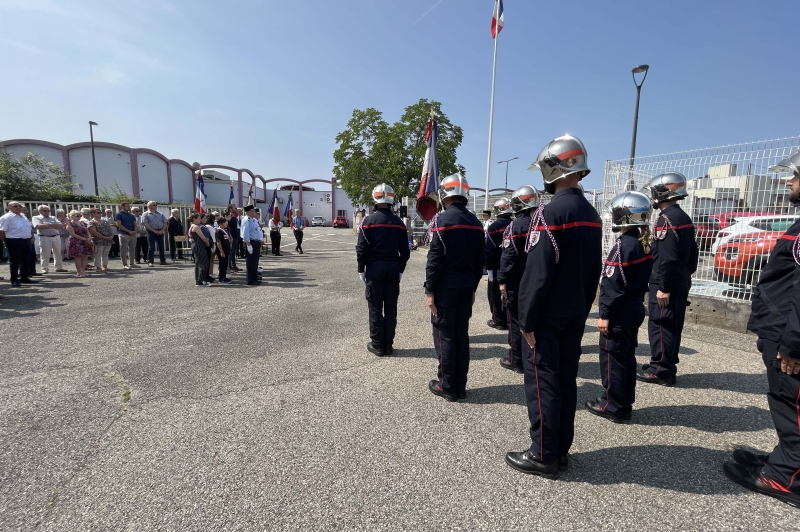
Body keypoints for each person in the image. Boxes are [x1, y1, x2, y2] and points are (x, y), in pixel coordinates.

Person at [505, 135, 602, 479]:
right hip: (575, 312)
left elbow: (538, 272)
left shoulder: (550, 212)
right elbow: (594, 271)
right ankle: (560, 450)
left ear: (553, 168)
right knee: (565, 381)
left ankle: (543, 453)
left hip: (547, 316)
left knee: (543, 382)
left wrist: (526, 320)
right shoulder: (591, 213)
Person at [723, 150, 800, 508]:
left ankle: (787, 477)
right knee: (784, 401)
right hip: (783, 331)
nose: (789, 181)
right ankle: (784, 460)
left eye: (795, 175)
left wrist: (793, 343)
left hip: (791, 338)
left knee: (792, 404)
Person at [585, 191, 653, 424]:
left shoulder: (624, 245)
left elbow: (612, 285)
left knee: (612, 359)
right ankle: (625, 404)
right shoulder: (643, 244)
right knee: (626, 357)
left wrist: (605, 314)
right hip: (634, 307)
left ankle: (611, 405)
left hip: (620, 311)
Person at [425, 173, 486, 401]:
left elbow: (435, 259)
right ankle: (460, 385)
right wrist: (472, 288)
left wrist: (429, 290)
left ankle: (447, 385)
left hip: (446, 287)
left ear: (444, 193)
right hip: (466, 286)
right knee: (461, 335)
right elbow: (481, 261)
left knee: (445, 335)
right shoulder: (477, 223)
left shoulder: (442, 221)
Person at [637, 172, 698, 387]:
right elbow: (693, 252)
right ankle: (666, 365)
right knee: (673, 323)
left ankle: (660, 370)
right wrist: (684, 275)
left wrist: (664, 287)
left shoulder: (666, 220)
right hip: (680, 277)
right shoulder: (683, 217)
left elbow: (666, 258)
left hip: (667, 280)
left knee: (661, 324)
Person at [356, 184, 411, 356]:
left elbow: (361, 249)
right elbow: (406, 251)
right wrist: (400, 269)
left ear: (375, 198)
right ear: (391, 198)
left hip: (375, 268)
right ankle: (388, 344)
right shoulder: (399, 223)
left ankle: (377, 344)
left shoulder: (368, 221)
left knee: (375, 307)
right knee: (391, 307)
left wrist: (361, 269)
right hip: (393, 267)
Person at [497, 186, 541, 374]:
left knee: (515, 322)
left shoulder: (514, 227)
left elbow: (507, 256)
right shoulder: (541, 224)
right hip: (538, 281)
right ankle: (532, 357)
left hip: (516, 282)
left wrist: (501, 280)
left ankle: (516, 359)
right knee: (534, 321)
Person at [485, 197, 514, 330]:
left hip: (496, 266)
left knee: (494, 294)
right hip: (513, 266)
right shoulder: (515, 225)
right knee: (510, 294)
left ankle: (498, 320)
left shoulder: (494, 227)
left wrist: (488, 267)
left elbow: (489, 250)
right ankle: (509, 320)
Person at [0, 201, 37, 287]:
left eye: (19, 206)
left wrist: (31, 237)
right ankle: (14, 279)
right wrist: (4, 242)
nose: (18, 207)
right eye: (15, 206)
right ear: (9, 207)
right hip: (13, 241)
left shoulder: (23, 216)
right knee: (15, 261)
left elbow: (28, 228)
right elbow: (2, 231)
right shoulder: (6, 217)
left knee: (26, 260)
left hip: (26, 240)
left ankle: (24, 277)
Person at [32, 205, 67, 274]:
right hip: (44, 237)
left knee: (58, 253)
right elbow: (38, 226)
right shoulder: (36, 217)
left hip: (56, 236)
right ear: (40, 211)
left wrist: (48, 224)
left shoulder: (53, 217)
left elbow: (60, 225)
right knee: (45, 254)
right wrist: (53, 225)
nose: (47, 212)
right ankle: (44, 268)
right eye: (45, 210)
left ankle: (59, 267)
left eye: (48, 210)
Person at [241, 205, 264, 285]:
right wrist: (248, 245)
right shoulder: (247, 220)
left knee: (254, 262)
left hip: (255, 242)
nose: (255, 212)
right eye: (254, 211)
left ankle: (254, 278)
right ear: (250, 212)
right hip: (250, 242)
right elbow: (245, 233)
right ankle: (250, 280)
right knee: (251, 262)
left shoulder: (252, 220)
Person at [65, 210, 93, 277]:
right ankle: (79, 272)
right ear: (72, 216)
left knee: (84, 256)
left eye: (80, 215)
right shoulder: (69, 224)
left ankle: (83, 271)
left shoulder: (82, 223)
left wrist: (89, 237)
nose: (79, 217)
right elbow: (72, 234)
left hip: (85, 241)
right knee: (78, 257)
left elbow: (87, 231)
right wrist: (83, 238)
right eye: (78, 215)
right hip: (76, 242)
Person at [141, 201, 169, 267]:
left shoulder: (160, 214)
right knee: (151, 247)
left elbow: (165, 222)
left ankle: (163, 261)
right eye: (154, 205)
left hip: (160, 231)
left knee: (161, 247)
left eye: (156, 205)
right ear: (149, 206)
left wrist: (162, 230)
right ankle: (150, 261)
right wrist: (154, 231)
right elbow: (145, 224)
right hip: (151, 232)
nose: (156, 206)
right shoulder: (145, 214)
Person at [87, 208, 114, 273]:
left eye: (100, 212)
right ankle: (98, 267)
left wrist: (112, 236)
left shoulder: (104, 221)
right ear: (93, 214)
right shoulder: (91, 222)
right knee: (98, 254)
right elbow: (94, 232)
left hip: (108, 240)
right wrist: (104, 237)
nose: (100, 214)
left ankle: (105, 267)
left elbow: (110, 229)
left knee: (105, 254)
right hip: (98, 240)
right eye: (98, 212)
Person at [188, 213, 211, 287]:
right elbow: (203, 237)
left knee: (198, 263)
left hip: (195, 245)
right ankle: (201, 280)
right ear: (194, 219)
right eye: (198, 218)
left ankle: (198, 280)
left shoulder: (191, 226)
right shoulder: (196, 227)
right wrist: (207, 243)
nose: (200, 220)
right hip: (199, 245)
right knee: (204, 263)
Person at [115, 203, 139, 270]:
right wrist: (129, 231)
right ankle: (125, 264)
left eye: (129, 206)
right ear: (122, 206)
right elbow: (118, 224)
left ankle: (132, 263)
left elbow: (135, 224)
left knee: (132, 249)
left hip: (132, 234)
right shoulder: (119, 214)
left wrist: (134, 231)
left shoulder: (131, 215)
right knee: (123, 250)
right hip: (123, 234)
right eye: (127, 206)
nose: (129, 207)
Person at [215, 217, 232, 284]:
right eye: (225, 222)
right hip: (222, 250)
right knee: (222, 264)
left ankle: (224, 276)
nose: (226, 223)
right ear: (221, 224)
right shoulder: (219, 231)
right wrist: (221, 252)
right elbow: (218, 242)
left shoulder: (224, 230)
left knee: (225, 264)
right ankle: (221, 278)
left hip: (226, 250)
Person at [227, 205, 241, 271]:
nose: (236, 209)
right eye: (234, 208)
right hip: (231, 237)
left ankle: (234, 265)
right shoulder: (228, 217)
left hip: (236, 236)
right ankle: (230, 266)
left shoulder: (235, 217)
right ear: (230, 209)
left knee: (234, 252)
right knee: (231, 252)